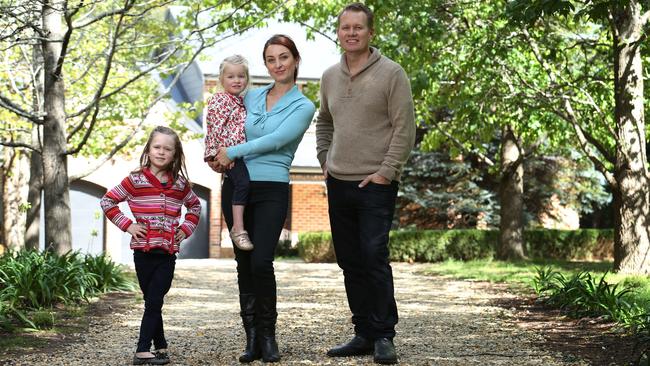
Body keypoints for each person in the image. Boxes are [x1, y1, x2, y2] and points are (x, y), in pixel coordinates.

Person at [315, 3, 416, 365]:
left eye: (359, 27)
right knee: (350, 260)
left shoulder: (392, 74)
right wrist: (324, 160)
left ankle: (384, 334)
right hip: (339, 181)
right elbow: (324, 121)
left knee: (374, 257)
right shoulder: (329, 76)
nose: (352, 33)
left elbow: (405, 128)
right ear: (339, 33)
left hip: (376, 183)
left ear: (371, 32)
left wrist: (387, 171)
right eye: (346, 28)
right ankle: (363, 332)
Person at [210, 34, 315, 363]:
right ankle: (251, 337)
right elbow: (222, 122)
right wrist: (216, 155)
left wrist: (232, 151)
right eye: (271, 59)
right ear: (265, 65)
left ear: (295, 60)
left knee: (261, 261)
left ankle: (268, 335)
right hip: (237, 186)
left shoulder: (304, 105)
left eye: (284, 57)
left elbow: (276, 140)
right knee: (243, 264)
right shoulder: (250, 97)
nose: (278, 64)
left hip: (272, 187)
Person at [101, 126, 202, 365]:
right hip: (142, 252)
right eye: (157, 147)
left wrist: (184, 230)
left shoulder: (180, 185)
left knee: (155, 299)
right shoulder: (135, 180)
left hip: (167, 253)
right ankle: (161, 344)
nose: (161, 152)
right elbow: (108, 201)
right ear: (148, 149)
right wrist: (127, 225)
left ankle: (141, 350)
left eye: (168, 149)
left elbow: (195, 207)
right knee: (152, 300)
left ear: (175, 155)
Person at [204, 54, 253, 251]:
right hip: (226, 152)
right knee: (243, 183)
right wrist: (225, 154)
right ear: (222, 80)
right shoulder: (220, 100)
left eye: (241, 76)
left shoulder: (239, 101)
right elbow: (215, 127)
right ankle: (238, 228)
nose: (237, 80)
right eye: (231, 77)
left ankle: (240, 224)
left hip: (236, 153)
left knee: (235, 185)